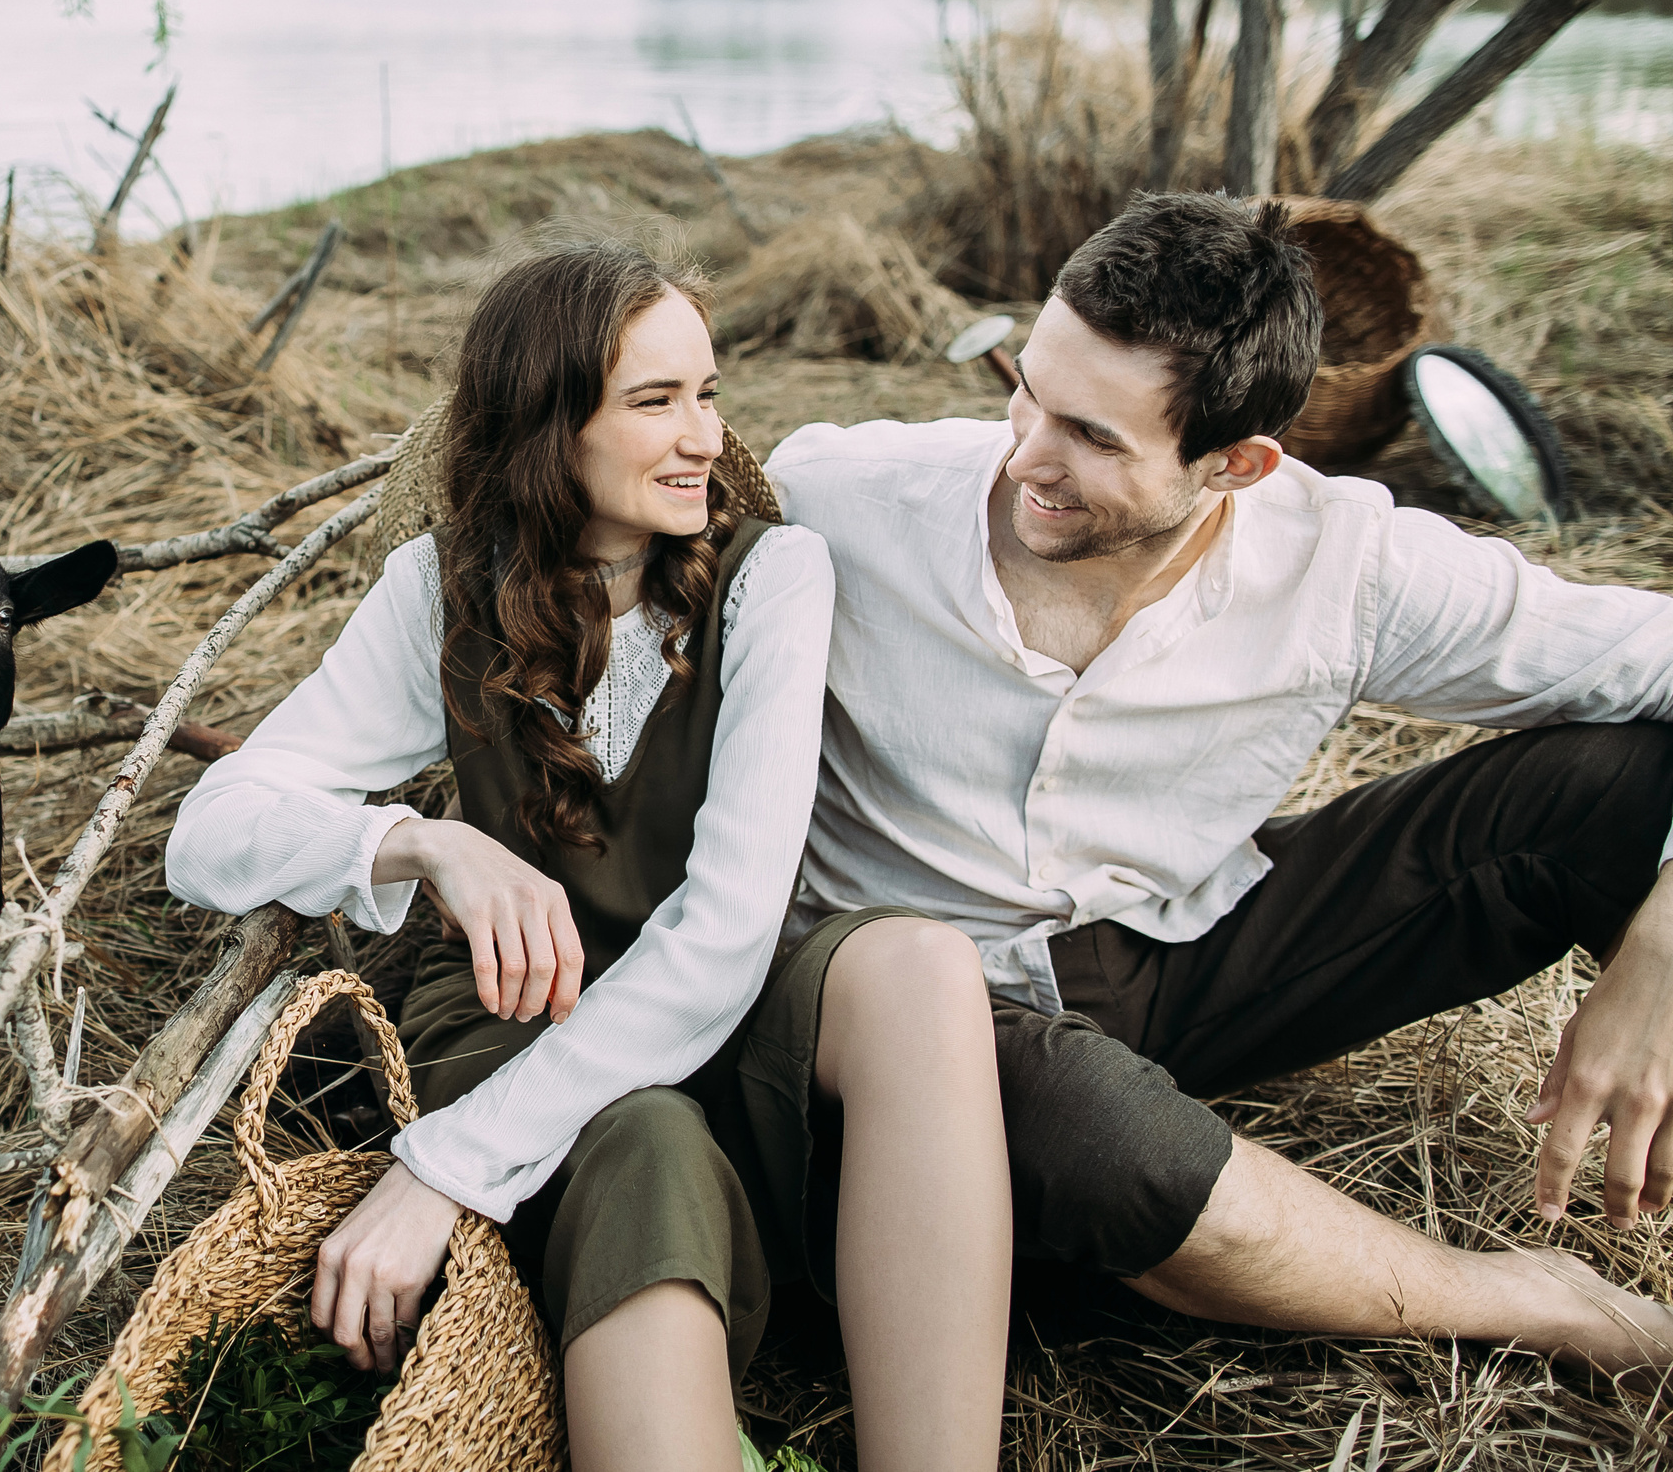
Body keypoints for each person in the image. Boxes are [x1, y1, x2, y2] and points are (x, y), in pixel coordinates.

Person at [766, 190, 1673, 1369]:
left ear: (1238, 462)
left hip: (1162, 954)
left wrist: (1662, 945)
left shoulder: (1348, 563)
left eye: (1093, 438)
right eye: (1028, 394)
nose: (1027, 456)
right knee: (1098, 1130)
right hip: (893, 1013)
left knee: (1620, 786)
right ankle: (1520, 1297)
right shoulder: (830, 499)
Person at [166, 241, 1015, 1472]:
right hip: (527, 1014)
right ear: (547, 428)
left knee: (918, 974)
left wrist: (439, 1171)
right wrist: (423, 842)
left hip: (725, 1005)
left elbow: (724, 940)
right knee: (645, 1142)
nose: (706, 439)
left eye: (709, 394)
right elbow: (212, 830)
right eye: (654, 402)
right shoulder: (441, 591)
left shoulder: (773, 577)